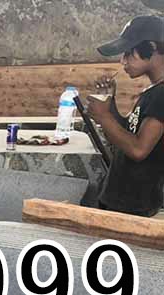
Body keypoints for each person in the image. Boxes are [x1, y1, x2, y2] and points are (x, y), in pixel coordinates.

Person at [87, 15, 164, 217]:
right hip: (122, 200)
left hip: (134, 206)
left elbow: (138, 150)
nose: (123, 61)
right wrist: (110, 103)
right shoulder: (153, 91)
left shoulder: (162, 95)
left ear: (151, 47)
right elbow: (128, 135)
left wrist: (104, 117)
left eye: (129, 53)